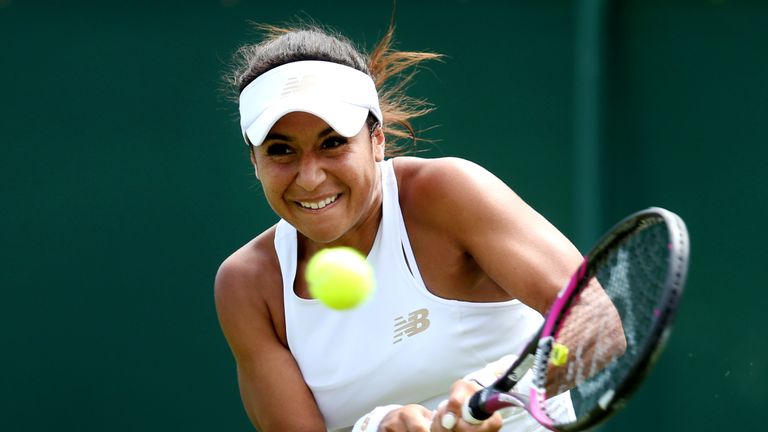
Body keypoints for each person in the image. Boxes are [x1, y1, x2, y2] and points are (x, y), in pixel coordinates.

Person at [214, 22, 583, 432]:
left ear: (377, 140)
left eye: (333, 142)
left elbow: (593, 320)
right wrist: (377, 427)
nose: (310, 177)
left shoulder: (448, 194)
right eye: (281, 150)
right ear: (255, 162)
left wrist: (492, 388)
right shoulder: (246, 284)